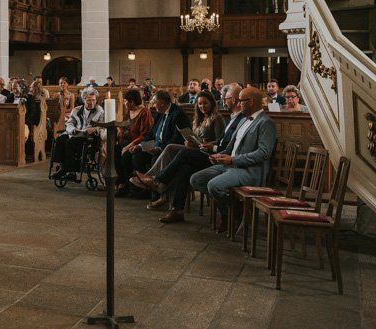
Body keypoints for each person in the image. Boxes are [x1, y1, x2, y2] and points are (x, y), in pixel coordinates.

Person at [190, 86, 277, 232]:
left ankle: (231, 214)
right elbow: (231, 148)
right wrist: (220, 155)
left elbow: (263, 153)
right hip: (231, 165)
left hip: (249, 170)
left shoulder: (265, 122)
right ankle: (235, 210)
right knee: (196, 179)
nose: (238, 103)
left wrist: (233, 160)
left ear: (251, 102)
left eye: (241, 101)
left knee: (214, 186)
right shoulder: (243, 120)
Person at [135, 89, 230, 222]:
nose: (202, 107)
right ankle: (177, 210)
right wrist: (191, 142)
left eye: (205, 104)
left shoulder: (217, 118)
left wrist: (207, 143)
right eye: (200, 104)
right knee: (184, 169)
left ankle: (156, 180)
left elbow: (221, 142)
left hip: (210, 156)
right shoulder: (199, 118)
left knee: (172, 148)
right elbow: (195, 138)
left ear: (212, 104)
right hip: (197, 152)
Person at [116, 90, 186, 197]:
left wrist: (159, 148)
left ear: (162, 102)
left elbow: (177, 139)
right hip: (154, 144)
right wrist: (139, 146)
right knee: (130, 154)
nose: (152, 105)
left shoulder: (177, 114)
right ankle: (135, 186)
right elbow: (151, 134)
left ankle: (148, 189)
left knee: (137, 158)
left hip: (168, 148)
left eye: (154, 102)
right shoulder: (159, 113)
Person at [49, 87, 105, 180]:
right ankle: (62, 167)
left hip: (89, 138)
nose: (92, 103)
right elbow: (69, 123)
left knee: (69, 142)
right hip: (76, 133)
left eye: (93, 100)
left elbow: (102, 125)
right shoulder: (76, 110)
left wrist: (94, 129)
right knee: (59, 139)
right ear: (83, 100)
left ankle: (71, 171)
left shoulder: (99, 110)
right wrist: (73, 129)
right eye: (89, 100)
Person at [113, 89, 154, 192]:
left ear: (132, 102)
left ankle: (128, 184)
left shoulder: (145, 112)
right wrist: (120, 129)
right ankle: (121, 181)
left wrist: (129, 145)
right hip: (128, 141)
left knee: (126, 155)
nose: (124, 103)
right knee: (115, 151)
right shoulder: (129, 111)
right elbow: (124, 124)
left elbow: (146, 134)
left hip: (142, 143)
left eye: (126, 101)